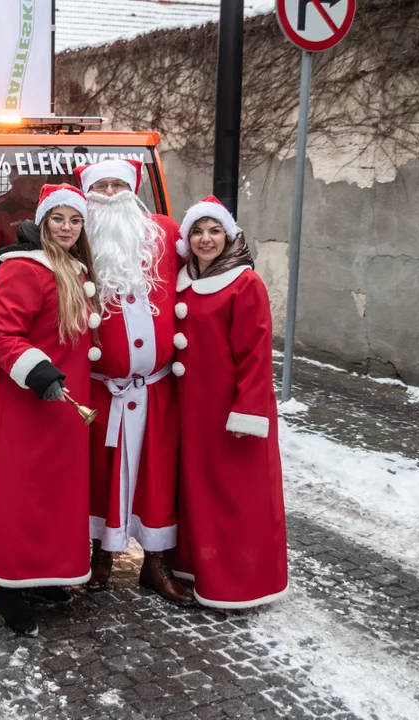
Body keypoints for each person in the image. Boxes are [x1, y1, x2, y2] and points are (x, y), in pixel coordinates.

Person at [0, 184, 103, 637]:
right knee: (23, 495)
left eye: (74, 220)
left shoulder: (73, 269)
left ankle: (42, 574)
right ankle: (9, 589)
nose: (66, 227)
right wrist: (38, 373)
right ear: (42, 223)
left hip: (62, 406)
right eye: (58, 219)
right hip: (28, 404)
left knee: (56, 495)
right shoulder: (23, 268)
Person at [74, 160, 195, 606]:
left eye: (118, 184)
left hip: (159, 387)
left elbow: (208, 253)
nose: (109, 192)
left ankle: (156, 565)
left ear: (134, 189)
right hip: (102, 389)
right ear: (88, 193)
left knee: (158, 472)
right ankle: (99, 557)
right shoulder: (77, 236)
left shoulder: (164, 231)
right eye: (100, 186)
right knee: (99, 472)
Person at [170, 195, 289, 609]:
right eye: (197, 231)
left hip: (230, 410)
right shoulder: (182, 277)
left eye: (214, 230)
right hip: (191, 409)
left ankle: (242, 583)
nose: (206, 239)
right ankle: (198, 569)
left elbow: (256, 355)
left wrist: (249, 410)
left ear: (229, 234)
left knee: (237, 496)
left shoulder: (244, 283)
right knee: (197, 492)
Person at [0, 171, 48, 278]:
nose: (38, 184)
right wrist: (8, 278)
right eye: (31, 178)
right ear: (14, 181)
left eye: (41, 177)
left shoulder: (53, 206)